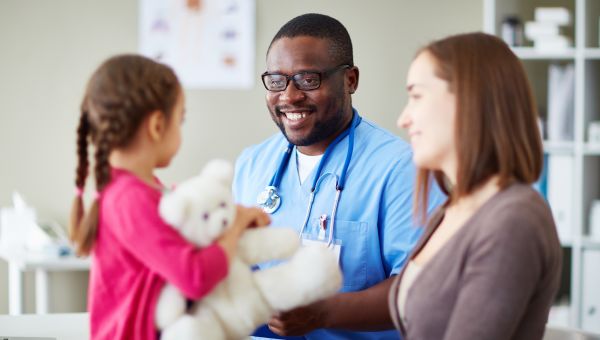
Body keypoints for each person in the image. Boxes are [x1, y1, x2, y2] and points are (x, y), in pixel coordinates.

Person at [233, 13, 444, 339]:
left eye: (308, 79)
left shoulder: (400, 169)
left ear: (350, 80)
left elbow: (418, 289)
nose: (289, 96)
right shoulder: (252, 164)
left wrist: (322, 314)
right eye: (276, 80)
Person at [69, 54, 269, 340]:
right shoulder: (129, 200)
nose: (181, 128)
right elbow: (195, 277)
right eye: (181, 119)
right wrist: (235, 225)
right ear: (157, 125)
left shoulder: (140, 192)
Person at [389, 32, 562, 340]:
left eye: (416, 96)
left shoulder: (513, 220)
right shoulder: (452, 207)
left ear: (469, 99)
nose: (404, 118)